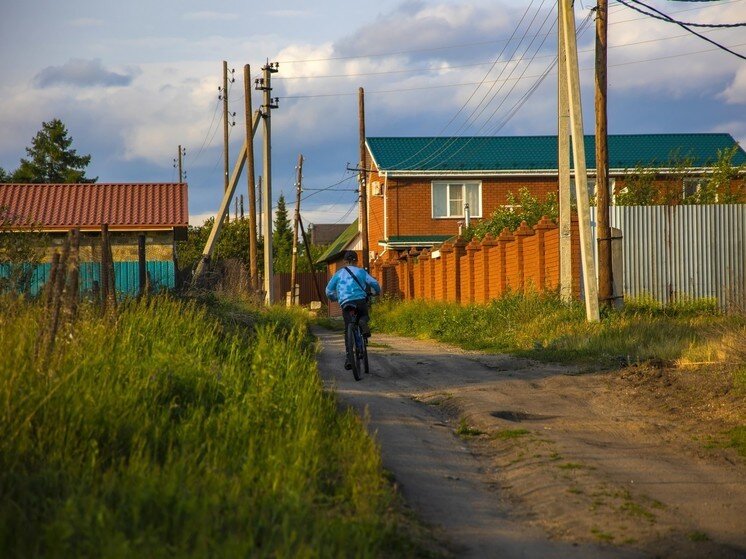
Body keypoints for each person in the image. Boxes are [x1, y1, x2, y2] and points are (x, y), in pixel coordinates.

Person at [325, 250, 381, 369]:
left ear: (345, 261)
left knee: (348, 328)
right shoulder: (361, 272)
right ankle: (362, 322)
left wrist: (336, 297)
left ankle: (349, 358)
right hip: (360, 301)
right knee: (364, 316)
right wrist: (377, 292)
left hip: (346, 303)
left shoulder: (338, 274)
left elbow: (328, 291)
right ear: (357, 260)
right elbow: (374, 283)